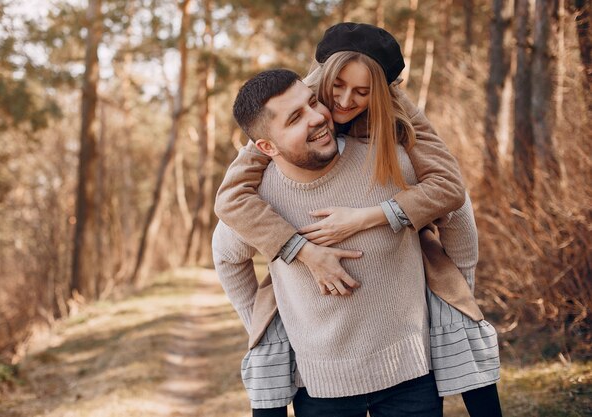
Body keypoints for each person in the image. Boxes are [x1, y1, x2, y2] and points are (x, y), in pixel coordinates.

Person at [215, 23, 502, 417]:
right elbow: (229, 204)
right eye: (334, 89)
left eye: (362, 93)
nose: (339, 105)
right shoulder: (288, 118)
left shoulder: (395, 126)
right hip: (323, 379)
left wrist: (377, 218)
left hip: (408, 368)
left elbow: (452, 194)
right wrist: (298, 260)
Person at [214, 68, 442, 416]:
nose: (318, 117)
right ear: (265, 147)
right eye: (295, 118)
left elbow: (455, 209)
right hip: (322, 390)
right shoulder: (259, 199)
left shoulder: (387, 159)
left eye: (312, 102)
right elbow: (227, 257)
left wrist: (457, 305)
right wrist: (264, 328)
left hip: (411, 376)